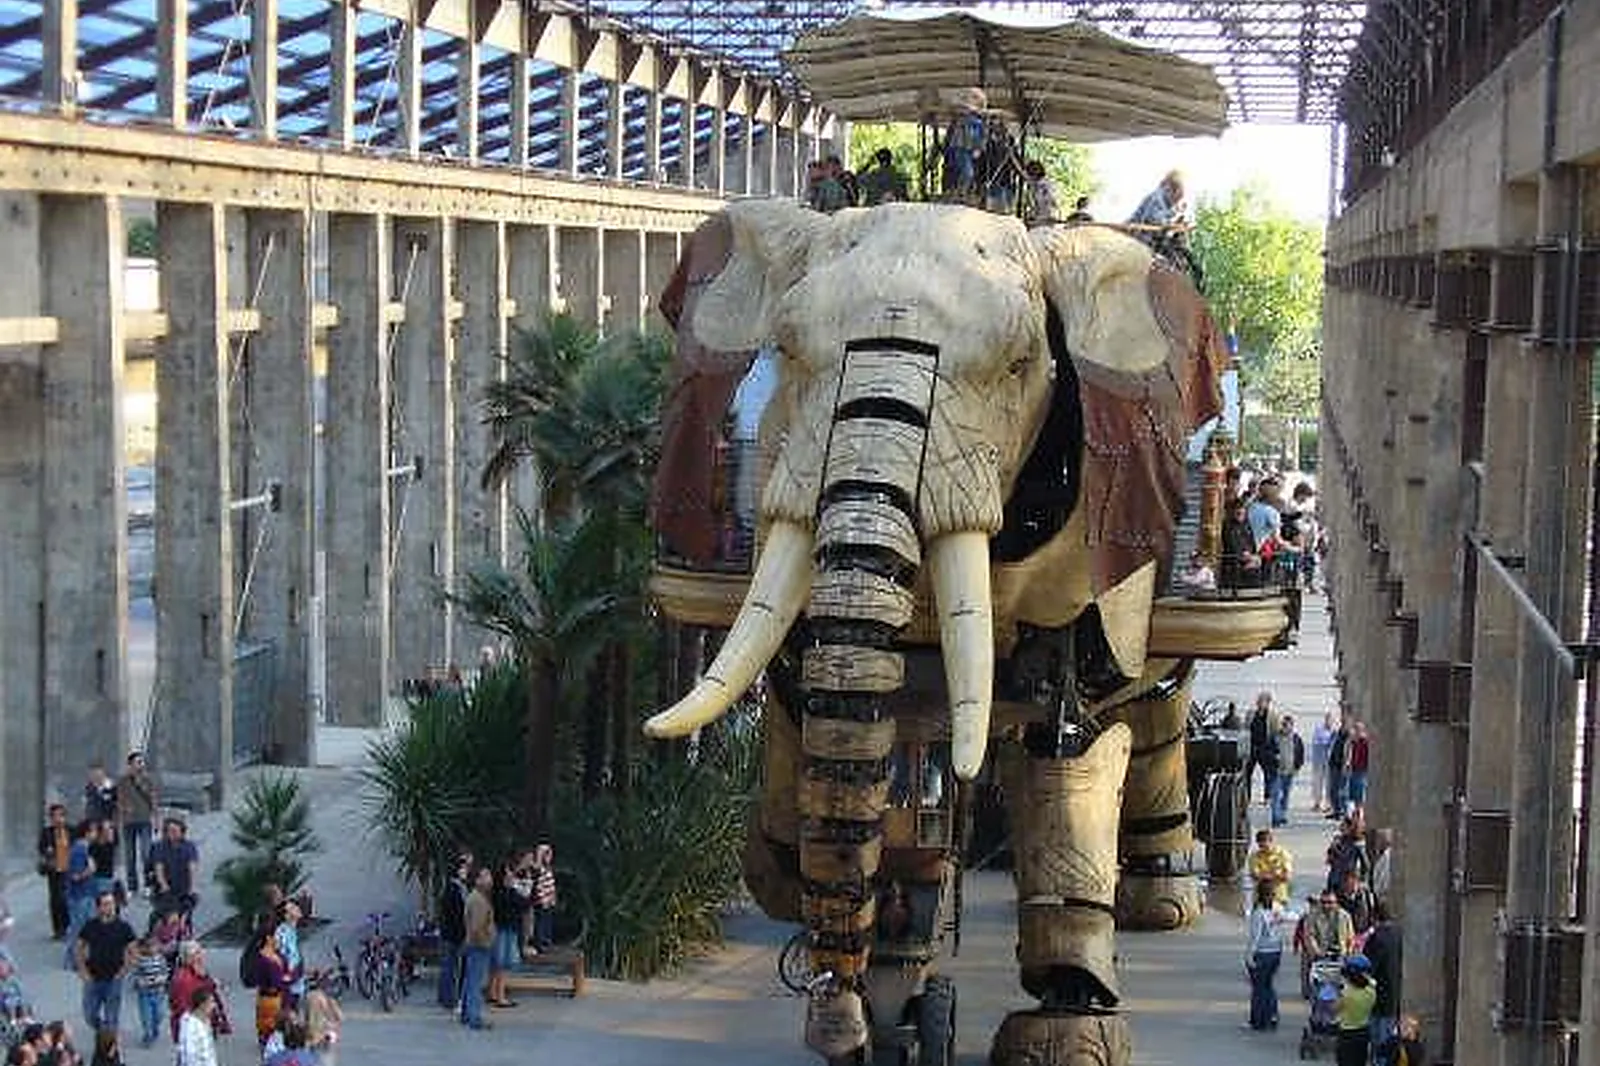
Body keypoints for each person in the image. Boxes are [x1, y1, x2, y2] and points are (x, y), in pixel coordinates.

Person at [74, 890, 135, 1037]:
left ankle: (111, 1046)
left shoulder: (124, 927)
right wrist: (82, 970)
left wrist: (124, 971)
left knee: (111, 1017)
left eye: (112, 903)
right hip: (93, 978)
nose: (111, 907)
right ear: (99, 908)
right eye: (106, 904)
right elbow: (79, 946)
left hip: (113, 979)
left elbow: (133, 950)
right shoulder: (91, 926)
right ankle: (103, 1031)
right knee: (89, 1015)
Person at [1244, 878, 1288, 1031]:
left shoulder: (1258, 913)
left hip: (1262, 953)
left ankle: (1258, 1021)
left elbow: (1255, 937)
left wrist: (1249, 957)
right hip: (1276, 951)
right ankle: (1272, 1016)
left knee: (1258, 989)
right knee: (1269, 986)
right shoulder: (1279, 908)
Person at [1364, 902, 1404, 1061]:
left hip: (1378, 994)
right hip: (1395, 993)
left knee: (1378, 1038)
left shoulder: (1376, 938)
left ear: (1375, 917)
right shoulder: (1399, 934)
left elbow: (1368, 966)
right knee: (1388, 1035)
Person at [486, 862, 528, 1009]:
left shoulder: (501, 892)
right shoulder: (505, 893)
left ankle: (492, 992)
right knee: (502, 964)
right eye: (509, 874)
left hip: (503, 929)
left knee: (496, 964)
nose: (512, 876)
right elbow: (523, 904)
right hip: (505, 930)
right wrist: (517, 889)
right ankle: (500, 996)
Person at [1300, 890, 1355, 999]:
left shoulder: (1344, 916)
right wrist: (1317, 952)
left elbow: (1350, 937)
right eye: (1323, 902)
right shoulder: (1313, 916)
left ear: (1336, 902)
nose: (1326, 905)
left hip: (1339, 954)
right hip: (1320, 955)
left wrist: (1348, 953)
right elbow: (1309, 936)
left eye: (1330, 902)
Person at [115, 753, 156, 896]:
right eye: (138, 762)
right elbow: (119, 800)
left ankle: (148, 884)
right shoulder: (123, 781)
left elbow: (153, 799)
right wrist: (124, 809)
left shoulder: (147, 780)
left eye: (142, 762)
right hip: (128, 822)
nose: (141, 765)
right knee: (130, 855)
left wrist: (156, 818)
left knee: (146, 853)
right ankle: (132, 886)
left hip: (145, 820)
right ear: (130, 764)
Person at [460, 866, 494, 1031]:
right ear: (477, 880)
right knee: (476, 983)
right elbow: (476, 927)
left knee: (470, 981)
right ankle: (474, 1017)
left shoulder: (476, 897)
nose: (490, 879)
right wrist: (484, 942)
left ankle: (467, 1014)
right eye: (485, 876)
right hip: (478, 946)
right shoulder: (478, 900)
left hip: (473, 945)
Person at [435, 852, 471, 1009]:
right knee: (450, 968)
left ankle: (448, 997)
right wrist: (462, 933)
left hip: (452, 933)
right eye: (463, 868)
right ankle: (448, 998)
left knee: (449, 967)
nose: (466, 871)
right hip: (453, 934)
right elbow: (455, 913)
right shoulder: (454, 888)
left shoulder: (459, 887)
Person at [147, 818, 199, 919]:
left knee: (185, 912)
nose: (172, 833)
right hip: (165, 888)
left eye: (175, 831)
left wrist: (192, 887)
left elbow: (192, 866)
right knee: (166, 914)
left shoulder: (189, 846)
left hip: (183, 886)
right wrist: (163, 885)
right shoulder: (159, 847)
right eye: (169, 831)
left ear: (182, 832)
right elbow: (159, 868)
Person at [1335, 955, 1378, 1066]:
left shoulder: (1346, 994)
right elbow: (1370, 982)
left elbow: (1334, 1008)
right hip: (1363, 1031)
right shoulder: (1371, 992)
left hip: (1346, 1034)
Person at [37, 804, 72, 940]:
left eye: (61, 815)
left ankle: (69, 925)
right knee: (56, 899)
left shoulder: (71, 830)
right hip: (54, 870)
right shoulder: (47, 832)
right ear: (51, 818)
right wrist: (47, 852)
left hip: (69, 870)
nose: (58, 819)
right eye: (55, 816)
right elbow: (41, 847)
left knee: (67, 899)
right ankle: (58, 929)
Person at [128, 934, 168, 1048]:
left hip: (158, 992)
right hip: (145, 994)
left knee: (159, 1014)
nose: (152, 949)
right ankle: (148, 1035)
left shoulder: (160, 959)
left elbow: (165, 972)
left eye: (154, 946)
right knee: (146, 1017)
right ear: (143, 948)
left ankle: (154, 1028)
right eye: (149, 946)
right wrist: (138, 982)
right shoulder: (140, 960)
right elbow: (135, 975)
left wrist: (163, 978)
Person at [1268, 713, 1305, 827]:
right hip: (1277, 771)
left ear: (1292, 726)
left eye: (1287, 725)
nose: (1285, 727)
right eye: (1283, 725)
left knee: (1285, 795)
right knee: (1275, 795)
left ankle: (1282, 815)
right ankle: (1275, 818)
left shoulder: (1296, 739)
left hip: (1290, 772)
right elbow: (1266, 752)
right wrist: (1273, 757)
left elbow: (1300, 754)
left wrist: (1297, 767)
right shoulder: (1275, 738)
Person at [272, 897, 306, 1011]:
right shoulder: (282, 933)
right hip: (288, 987)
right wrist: (289, 976)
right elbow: (278, 958)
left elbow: (295, 956)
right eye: (293, 908)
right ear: (286, 916)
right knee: (289, 1018)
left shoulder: (292, 930)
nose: (297, 908)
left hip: (296, 984)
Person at [173, 986, 217, 1066]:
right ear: (202, 1004)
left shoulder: (206, 1019)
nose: (214, 1005)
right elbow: (189, 1052)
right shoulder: (190, 1024)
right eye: (211, 1002)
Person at [1248, 828, 1293, 905]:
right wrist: (1276, 875)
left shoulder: (1282, 854)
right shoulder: (1254, 856)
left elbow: (1287, 877)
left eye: (1265, 844)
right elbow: (1255, 876)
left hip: (1280, 898)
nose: (1263, 848)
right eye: (1260, 845)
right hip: (1260, 899)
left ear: (1271, 841)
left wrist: (1265, 875)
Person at [1247, 693, 1276, 807]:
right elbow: (1246, 728)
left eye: (1262, 701)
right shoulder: (1251, 714)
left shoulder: (1272, 716)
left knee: (1268, 774)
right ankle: (1246, 797)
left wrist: (1273, 749)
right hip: (1252, 747)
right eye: (1258, 701)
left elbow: (1274, 732)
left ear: (1268, 703)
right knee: (1247, 773)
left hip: (1265, 747)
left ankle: (1267, 797)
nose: (1259, 703)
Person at [530, 844, 558, 953]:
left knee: (547, 921)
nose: (549, 857)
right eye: (547, 854)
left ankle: (546, 941)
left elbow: (551, 884)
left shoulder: (548, 868)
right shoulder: (537, 867)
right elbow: (536, 879)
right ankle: (539, 943)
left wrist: (552, 898)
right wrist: (539, 854)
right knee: (540, 922)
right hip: (540, 900)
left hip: (548, 899)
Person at [1336, 867, 1376, 937]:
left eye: (1355, 880)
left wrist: (1366, 934)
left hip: (1364, 936)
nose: (1353, 885)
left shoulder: (1367, 896)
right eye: (1348, 882)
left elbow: (1373, 919)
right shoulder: (1339, 898)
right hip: (1345, 936)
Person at [1310, 712, 1337, 814]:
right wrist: (1327, 743)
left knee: (1329, 783)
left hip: (1329, 762)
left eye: (1331, 720)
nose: (1329, 722)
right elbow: (1317, 742)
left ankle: (1328, 804)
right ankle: (1317, 803)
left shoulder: (1334, 732)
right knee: (1317, 782)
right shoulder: (1319, 730)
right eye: (1328, 720)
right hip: (1319, 761)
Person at [1327, 716, 1351, 818]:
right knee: (1332, 790)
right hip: (1333, 764)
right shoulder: (1337, 734)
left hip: (1342, 766)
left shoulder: (1349, 736)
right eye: (1342, 723)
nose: (1342, 725)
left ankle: (1343, 812)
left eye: (1344, 723)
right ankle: (1336, 810)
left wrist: (1346, 764)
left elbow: (1349, 752)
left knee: (1342, 791)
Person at [1346, 721, 1371, 817]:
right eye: (1355, 730)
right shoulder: (1353, 742)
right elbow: (1349, 755)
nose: (1355, 732)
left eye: (1357, 730)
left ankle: (1360, 816)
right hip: (1354, 770)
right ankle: (1354, 815)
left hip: (1361, 771)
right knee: (1353, 795)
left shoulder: (1365, 742)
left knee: (1360, 795)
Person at [1022, 160, 1058, 225]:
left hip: (1046, 219)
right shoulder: (1034, 187)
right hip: (1039, 219)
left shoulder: (1045, 187)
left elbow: (1051, 205)